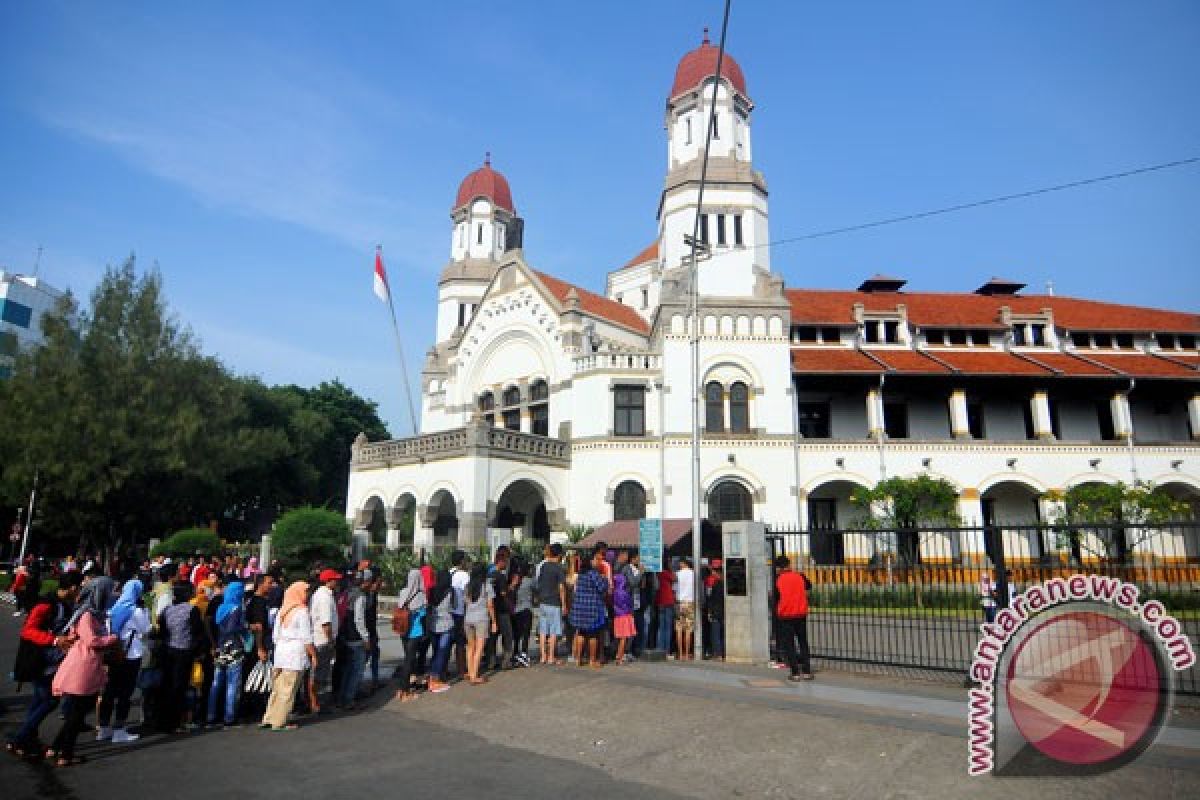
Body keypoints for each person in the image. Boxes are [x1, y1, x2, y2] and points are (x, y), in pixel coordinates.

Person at [6, 572, 82, 759]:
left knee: (40, 700)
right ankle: (20, 738)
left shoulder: (64, 604)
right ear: (73, 587)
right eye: (79, 587)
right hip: (40, 661)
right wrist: (54, 640)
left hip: (51, 660)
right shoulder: (46, 605)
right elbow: (28, 631)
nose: (79, 590)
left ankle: (27, 737)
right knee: (50, 700)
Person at [47, 576, 119, 767]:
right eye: (110, 590)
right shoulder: (87, 614)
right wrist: (112, 639)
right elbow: (92, 641)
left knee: (78, 712)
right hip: (83, 667)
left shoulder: (94, 613)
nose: (113, 594)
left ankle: (55, 748)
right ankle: (66, 754)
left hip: (87, 665)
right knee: (78, 714)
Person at [98, 578, 149, 742]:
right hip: (131, 655)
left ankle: (104, 727)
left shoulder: (113, 608)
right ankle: (119, 729)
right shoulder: (136, 611)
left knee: (109, 691)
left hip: (113, 654)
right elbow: (146, 629)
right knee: (125, 693)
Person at [262, 581, 317, 731]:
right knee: (288, 690)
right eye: (305, 592)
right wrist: (313, 655)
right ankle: (280, 722)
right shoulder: (302, 611)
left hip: (280, 654)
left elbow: (275, 636)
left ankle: (269, 718)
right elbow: (306, 638)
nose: (307, 595)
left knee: (277, 689)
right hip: (295, 655)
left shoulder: (282, 611)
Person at [156, 581, 209, 733]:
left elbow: (162, 632)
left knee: (167, 685)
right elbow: (198, 632)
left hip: (168, 651)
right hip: (184, 651)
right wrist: (199, 651)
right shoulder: (192, 610)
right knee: (179, 687)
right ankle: (176, 722)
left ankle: (164, 721)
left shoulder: (167, 610)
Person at [207, 580, 247, 728]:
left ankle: (211, 716)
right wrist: (245, 626)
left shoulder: (221, 607)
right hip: (234, 648)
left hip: (220, 647)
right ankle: (229, 718)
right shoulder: (236, 608)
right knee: (232, 685)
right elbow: (232, 628)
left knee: (216, 684)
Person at [774, 555, 814, 681]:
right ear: (789, 565)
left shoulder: (779, 579)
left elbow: (776, 597)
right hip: (800, 614)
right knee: (803, 642)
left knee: (789, 644)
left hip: (786, 615)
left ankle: (795, 672)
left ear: (779, 568)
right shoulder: (799, 576)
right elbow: (809, 586)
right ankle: (807, 671)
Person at [308, 568, 341, 712]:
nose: (337, 581)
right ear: (328, 581)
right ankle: (315, 703)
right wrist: (331, 641)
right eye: (335, 579)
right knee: (319, 674)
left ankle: (314, 701)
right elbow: (326, 623)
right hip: (322, 640)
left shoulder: (323, 595)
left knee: (319, 673)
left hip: (320, 639)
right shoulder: (324, 597)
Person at [337, 572, 371, 709]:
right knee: (356, 669)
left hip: (345, 634)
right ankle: (349, 700)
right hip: (356, 637)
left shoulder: (346, 593)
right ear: (365, 582)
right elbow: (359, 619)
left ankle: (341, 698)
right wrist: (366, 637)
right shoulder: (360, 597)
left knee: (347, 669)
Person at [569, 552, 608, 668]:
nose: (597, 562)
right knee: (593, 635)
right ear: (591, 562)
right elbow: (602, 588)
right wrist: (604, 579)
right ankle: (592, 660)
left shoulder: (580, 575)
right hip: (591, 609)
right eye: (595, 560)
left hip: (579, 608)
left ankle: (578, 659)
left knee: (581, 633)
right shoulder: (593, 574)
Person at [394, 569, 428, 702]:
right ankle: (405, 692)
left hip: (403, 630)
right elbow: (423, 615)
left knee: (407, 660)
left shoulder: (403, 592)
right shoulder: (421, 595)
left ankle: (400, 690)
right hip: (415, 632)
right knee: (409, 661)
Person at [463, 564, 496, 685]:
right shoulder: (487, 586)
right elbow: (490, 605)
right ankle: (474, 676)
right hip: (481, 619)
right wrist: (494, 621)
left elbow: (466, 602)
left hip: (468, 618)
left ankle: (471, 672)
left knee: (470, 647)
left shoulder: (468, 587)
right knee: (479, 647)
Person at [536, 543, 567, 665]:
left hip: (543, 602)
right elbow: (561, 587)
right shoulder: (559, 568)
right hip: (554, 602)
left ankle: (543, 656)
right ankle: (551, 657)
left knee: (543, 630)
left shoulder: (544, 566)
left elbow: (539, 583)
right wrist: (564, 604)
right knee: (553, 631)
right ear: (559, 554)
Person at [425, 569, 454, 694]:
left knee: (436, 651)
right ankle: (434, 680)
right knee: (442, 653)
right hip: (446, 625)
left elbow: (428, 606)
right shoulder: (450, 591)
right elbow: (453, 607)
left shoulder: (431, 590)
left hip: (433, 625)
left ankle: (434, 676)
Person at [485, 547, 513, 672]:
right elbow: (503, 594)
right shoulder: (500, 577)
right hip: (502, 610)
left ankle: (490, 661)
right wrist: (509, 604)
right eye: (506, 562)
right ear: (501, 561)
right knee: (507, 635)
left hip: (490, 610)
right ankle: (506, 661)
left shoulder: (488, 574)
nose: (506, 565)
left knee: (492, 636)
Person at [448, 550, 470, 680]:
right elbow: (468, 594)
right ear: (461, 561)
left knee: (448, 642)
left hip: (448, 612)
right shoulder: (464, 575)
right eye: (465, 559)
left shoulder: (450, 572)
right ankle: (461, 670)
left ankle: (444, 670)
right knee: (460, 642)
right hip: (460, 612)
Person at [511, 559, 534, 667]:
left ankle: (515, 653)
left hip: (516, 610)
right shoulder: (530, 581)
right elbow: (537, 590)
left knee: (516, 634)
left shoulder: (514, 580)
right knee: (526, 633)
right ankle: (523, 654)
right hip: (527, 609)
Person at [612, 568, 636, 666]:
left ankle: (618, 655)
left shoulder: (615, 592)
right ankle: (619, 657)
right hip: (626, 616)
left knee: (619, 638)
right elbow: (630, 604)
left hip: (617, 616)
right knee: (624, 639)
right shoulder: (625, 593)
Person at [363, 571, 382, 692]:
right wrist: (370, 634)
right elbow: (367, 617)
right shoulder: (367, 596)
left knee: (374, 654)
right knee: (366, 657)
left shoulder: (372, 595)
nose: (380, 585)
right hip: (367, 632)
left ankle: (375, 680)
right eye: (379, 582)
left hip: (371, 631)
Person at [675, 557, 696, 661]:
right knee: (688, 630)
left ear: (683, 563)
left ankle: (680, 654)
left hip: (679, 603)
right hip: (690, 603)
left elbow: (674, 589)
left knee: (679, 629)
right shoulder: (693, 574)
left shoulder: (677, 574)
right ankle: (687, 654)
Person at [654, 561, 676, 653]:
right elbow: (675, 578)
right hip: (668, 601)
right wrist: (672, 569)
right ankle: (666, 649)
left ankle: (659, 648)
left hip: (660, 601)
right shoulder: (666, 573)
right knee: (668, 627)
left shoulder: (658, 574)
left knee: (661, 626)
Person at [706, 565, 725, 661]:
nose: (712, 573)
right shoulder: (725, 584)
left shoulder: (716, 583)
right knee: (721, 633)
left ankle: (717, 654)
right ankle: (721, 653)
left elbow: (711, 599)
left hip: (716, 611)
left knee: (715, 633)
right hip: (723, 612)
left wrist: (710, 611)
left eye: (713, 571)